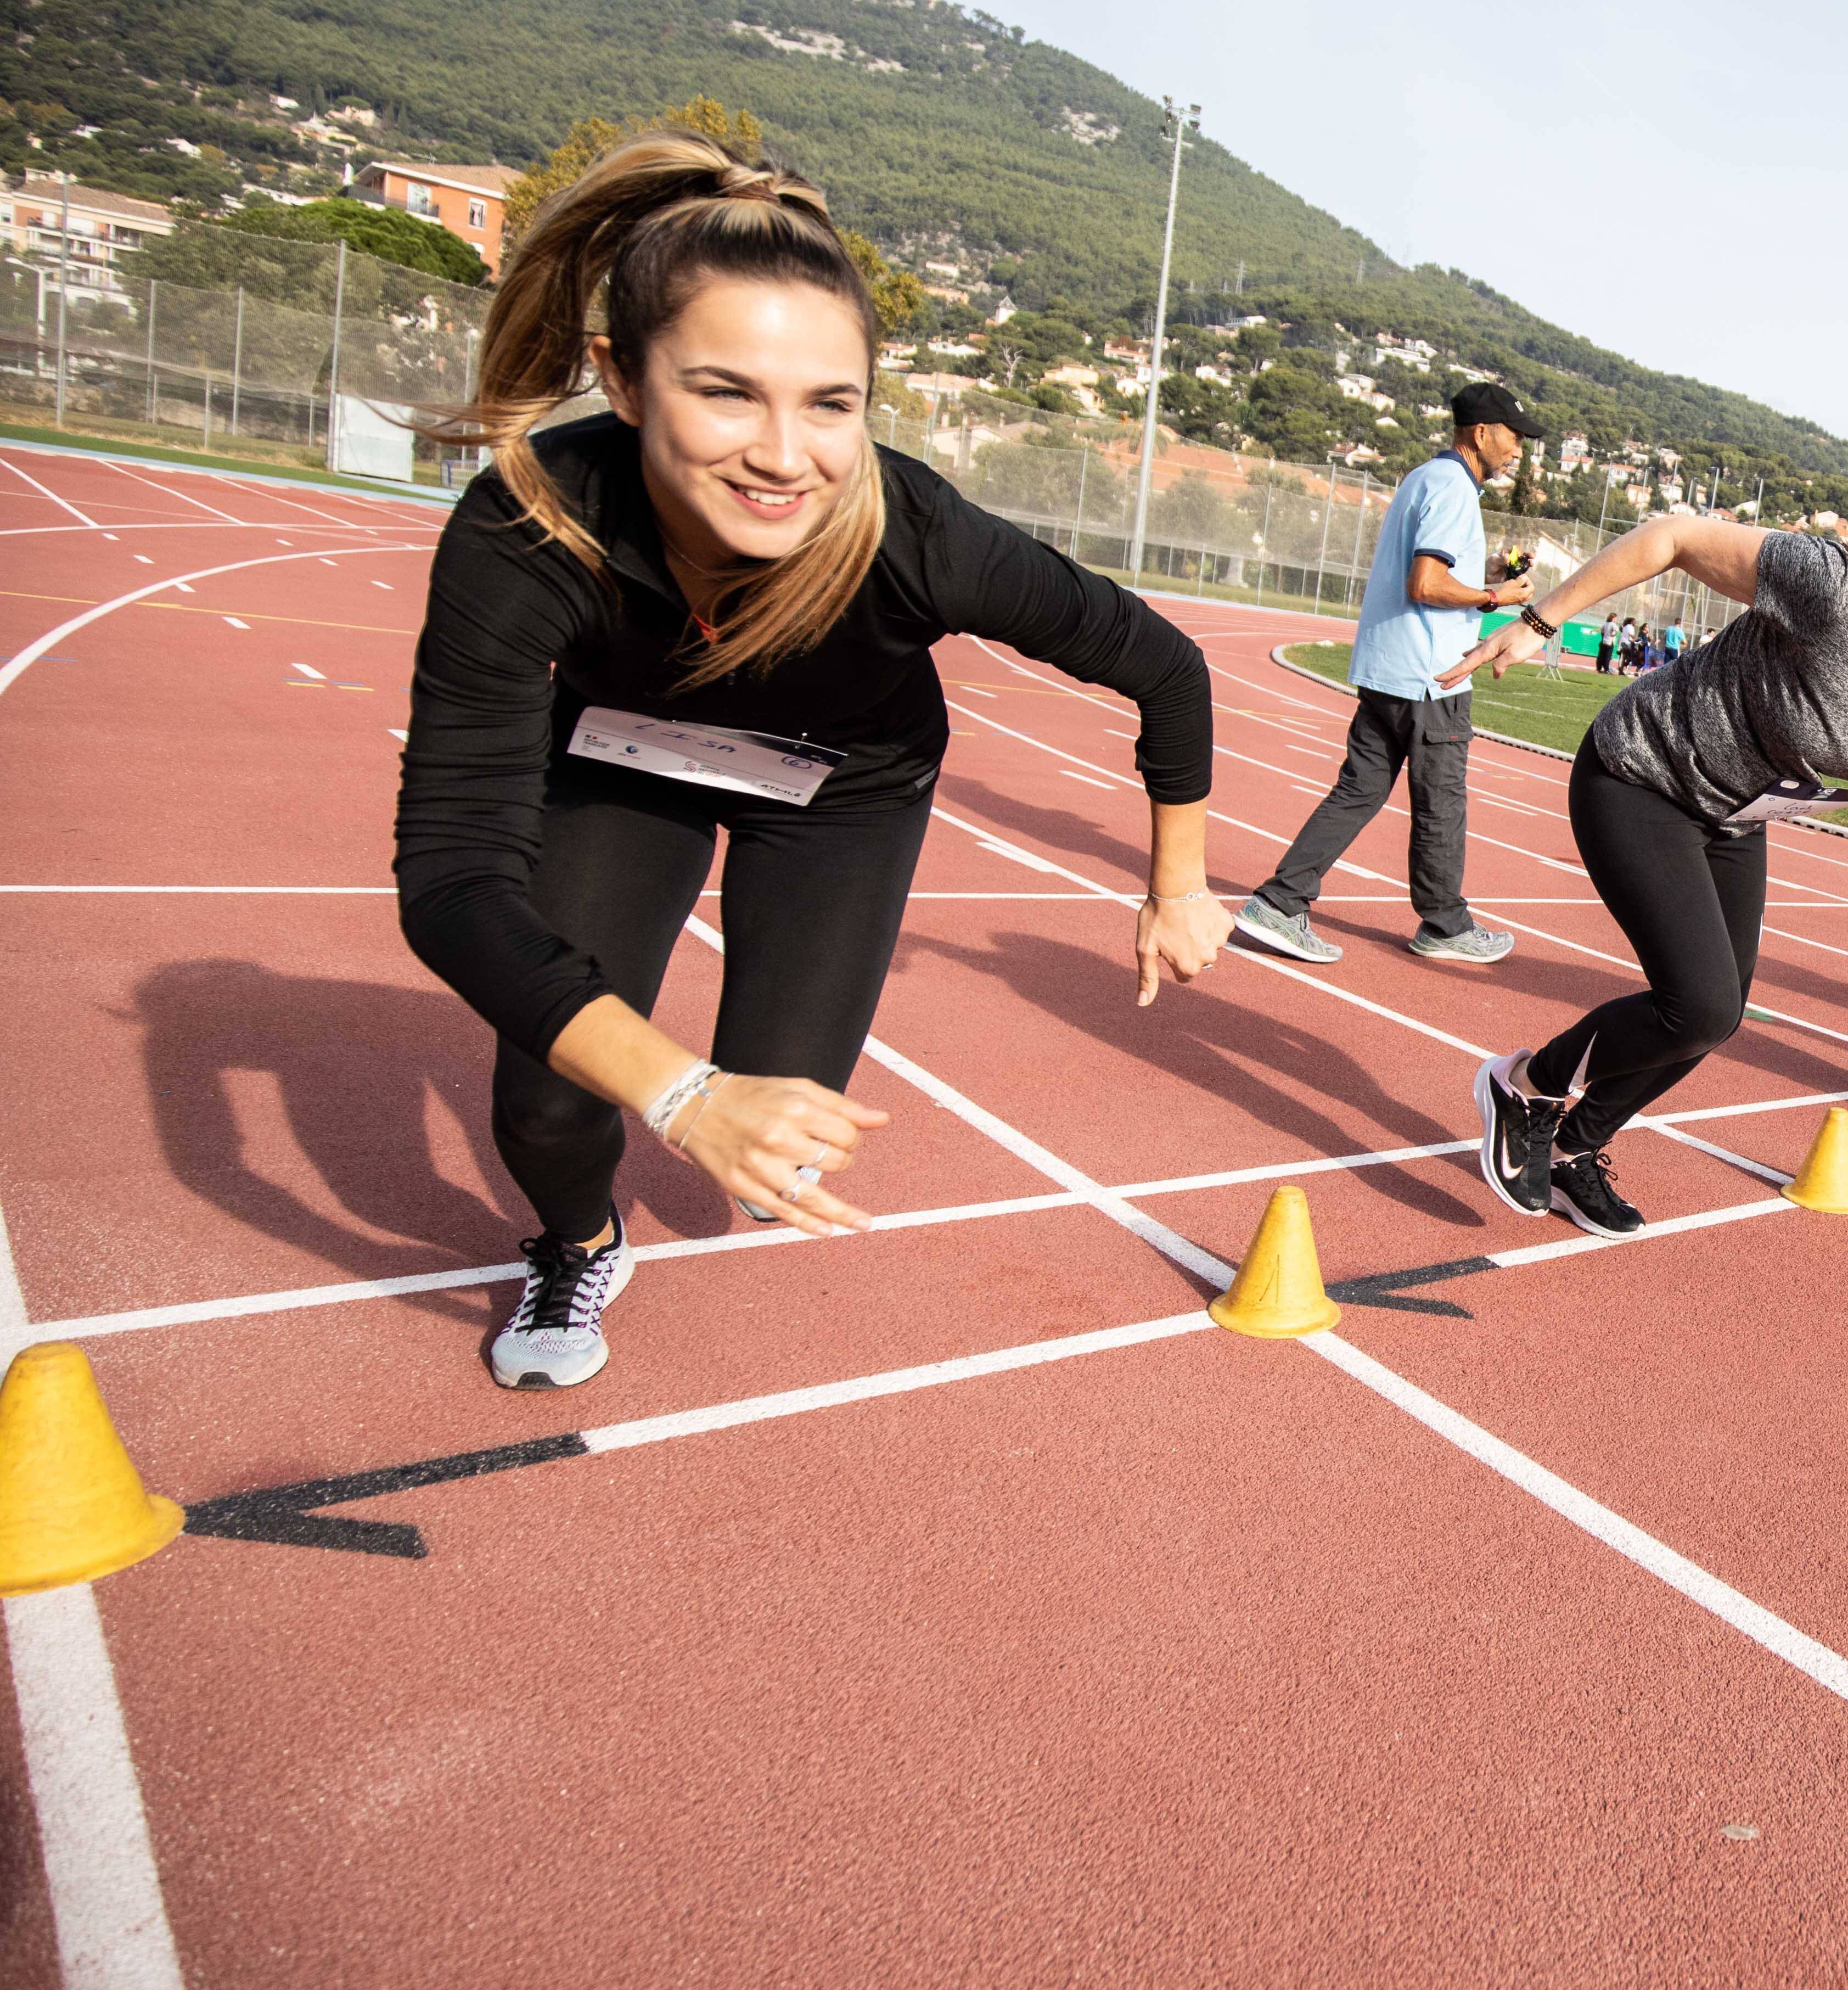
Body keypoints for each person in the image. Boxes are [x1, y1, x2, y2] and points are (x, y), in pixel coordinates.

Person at [396, 129, 1227, 1391]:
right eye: (726, 391)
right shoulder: (533, 526)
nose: (784, 457)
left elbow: (1168, 669)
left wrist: (1177, 887)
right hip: (627, 767)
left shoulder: (920, 537)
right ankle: (577, 1241)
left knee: (786, 1129)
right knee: (552, 1098)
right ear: (623, 379)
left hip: (841, 792)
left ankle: (720, 1098)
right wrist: (676, 1094)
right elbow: (455, 883)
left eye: (830, 405)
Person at [1448, 450, 1848, 1232]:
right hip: (1641, 775)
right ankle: (1526, 1085)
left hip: (1736, 817)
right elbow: (1672, 535)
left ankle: (1577, 1145)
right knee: (1700, 1005)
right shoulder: (1838, 593)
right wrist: (1539, 622)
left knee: (1719, 1012)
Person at [1237, 384, 1536, 968]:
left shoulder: (1425, 477)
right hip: (1433, 678)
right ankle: (1445, 924)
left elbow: (1426, 572)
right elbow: (1424, 584)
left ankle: (1280, 901)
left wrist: (1481, 575)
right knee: (1441, 803)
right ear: (1481, 432)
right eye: (1515, 436)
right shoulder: (1455, 490)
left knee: (1358, 791)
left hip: (1387, 669)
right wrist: (1496, 595)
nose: (1520, 449)